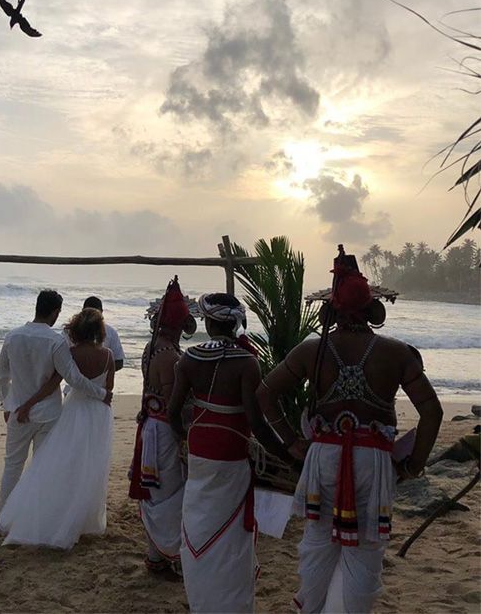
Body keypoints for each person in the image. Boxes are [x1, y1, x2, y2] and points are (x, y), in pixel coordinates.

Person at [256, 259, 443, 614]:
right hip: (374, 461)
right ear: (373, 309)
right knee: (365, 548)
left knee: (319, 541)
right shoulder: (397, 353)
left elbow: (265, 394)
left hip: (323, 459)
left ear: (330, 310)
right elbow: (432, 413)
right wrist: (414, 465)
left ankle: (311, 606)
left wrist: (291, 441)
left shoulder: (312, 350)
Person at [168, 293, 293, 614]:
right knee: (231, 530)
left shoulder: (190, 358)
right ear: (234, 323)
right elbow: (256, 421)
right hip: (233, 449)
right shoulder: (246, 362)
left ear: (208, 323)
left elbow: (173, 412)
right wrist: (287, 453)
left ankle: (202, 598)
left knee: (199, 522)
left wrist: (187, 437)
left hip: (200, 448)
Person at [0, 307, 115, 548]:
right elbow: (109, 389)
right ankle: (86, 519)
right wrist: (101, 394)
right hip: (99, 414)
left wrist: (20, 403)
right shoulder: (109, 356)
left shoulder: (69, 352)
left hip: (73, 411)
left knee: (54, 465)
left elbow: (54, 384)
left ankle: (22, 515)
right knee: (90, 467)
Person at [128, 276, 195, 576]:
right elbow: (172, 403)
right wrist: (184, 431)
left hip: (151, 427)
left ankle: (156, 555)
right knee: (170, 494)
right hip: (164, 432)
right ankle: (172, 555)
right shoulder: (168, 355)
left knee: (156, 493)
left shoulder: (151, 348)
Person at [81, 296, 125, 371]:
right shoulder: (110, 332)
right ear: (101, 312)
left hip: (77, 379)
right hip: (101, 380)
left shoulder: (70, 331)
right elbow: (119, 361)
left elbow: (119, 362)